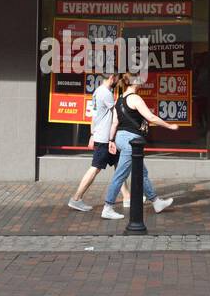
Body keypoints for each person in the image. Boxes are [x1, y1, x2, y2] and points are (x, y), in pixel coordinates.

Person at [101, 72, 179, 220]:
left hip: (120, 138)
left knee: (142, 172)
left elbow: (115, 123)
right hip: (131, 141)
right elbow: (150, 117)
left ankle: (156, 202)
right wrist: (169, 126)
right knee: (120, 175)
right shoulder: (135, 98)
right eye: (139, 80)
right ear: (134, 82)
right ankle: (108, 207)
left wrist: (111, 140)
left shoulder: (120, 99)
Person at [68, 73, 130, 212]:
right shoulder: (106, 93)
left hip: (103, 136)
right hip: (105, 138)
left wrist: (92, 133)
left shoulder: (97, 92)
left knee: (118, 166)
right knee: (95, 168)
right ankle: (76, 198)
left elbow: (94, 115)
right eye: (118, 80)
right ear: (112, 77)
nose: (118, 83)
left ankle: (127, 196)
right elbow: (117, 113)